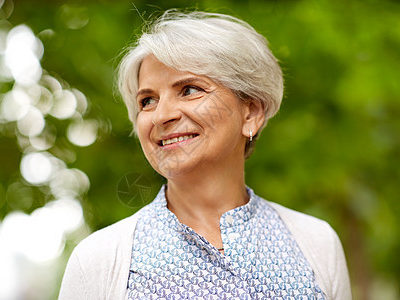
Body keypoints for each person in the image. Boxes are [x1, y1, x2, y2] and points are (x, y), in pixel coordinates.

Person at [59, 10, 351, 299]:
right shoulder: (97, 261)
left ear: (251, 113)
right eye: (147, 100)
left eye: (189, 90)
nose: (162, 116)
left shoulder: (317, 244)